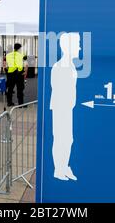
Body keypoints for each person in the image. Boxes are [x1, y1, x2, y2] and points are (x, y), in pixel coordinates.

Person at [50, 33, 80, 181]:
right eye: (77, 44)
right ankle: (59, 170)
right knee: (61, 138)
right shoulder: (61, 66)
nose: (80, 47)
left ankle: (64, 166)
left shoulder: (70, 65)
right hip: (61, 107)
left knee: (68, 139)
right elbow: (58, 89)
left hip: (67, 107)